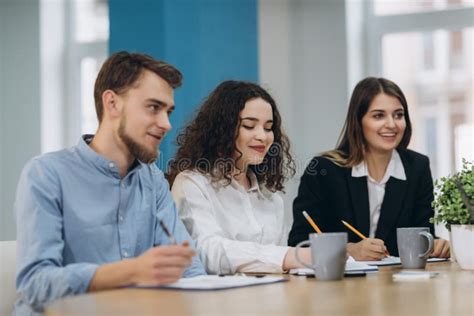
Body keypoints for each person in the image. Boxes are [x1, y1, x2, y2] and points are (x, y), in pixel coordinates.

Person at [14, 51, 205, 315]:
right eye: (153, 107)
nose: (166, 124)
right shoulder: (46, 174)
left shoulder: (153, 181)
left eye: (168, 111)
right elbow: (35, 285)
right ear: (112, 103)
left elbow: (191, 269)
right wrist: (130, 272)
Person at [288, 77, 450, 260]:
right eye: (378, 115)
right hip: (339, 284)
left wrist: (435, 244)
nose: (392, 124)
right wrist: (348, 250)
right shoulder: (323, 170)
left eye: (398, 115)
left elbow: (422, 234)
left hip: (397, 283)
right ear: (358, 121)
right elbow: (298, 241)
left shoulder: (417, 167)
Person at [168, 80, 311, 274]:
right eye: (249, 125)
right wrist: (288, 256)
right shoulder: (192, 183)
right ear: (222, 130)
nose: (263, 136)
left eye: (268, 128)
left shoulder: (271, 198)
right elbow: (206, 252)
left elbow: (282, 269)